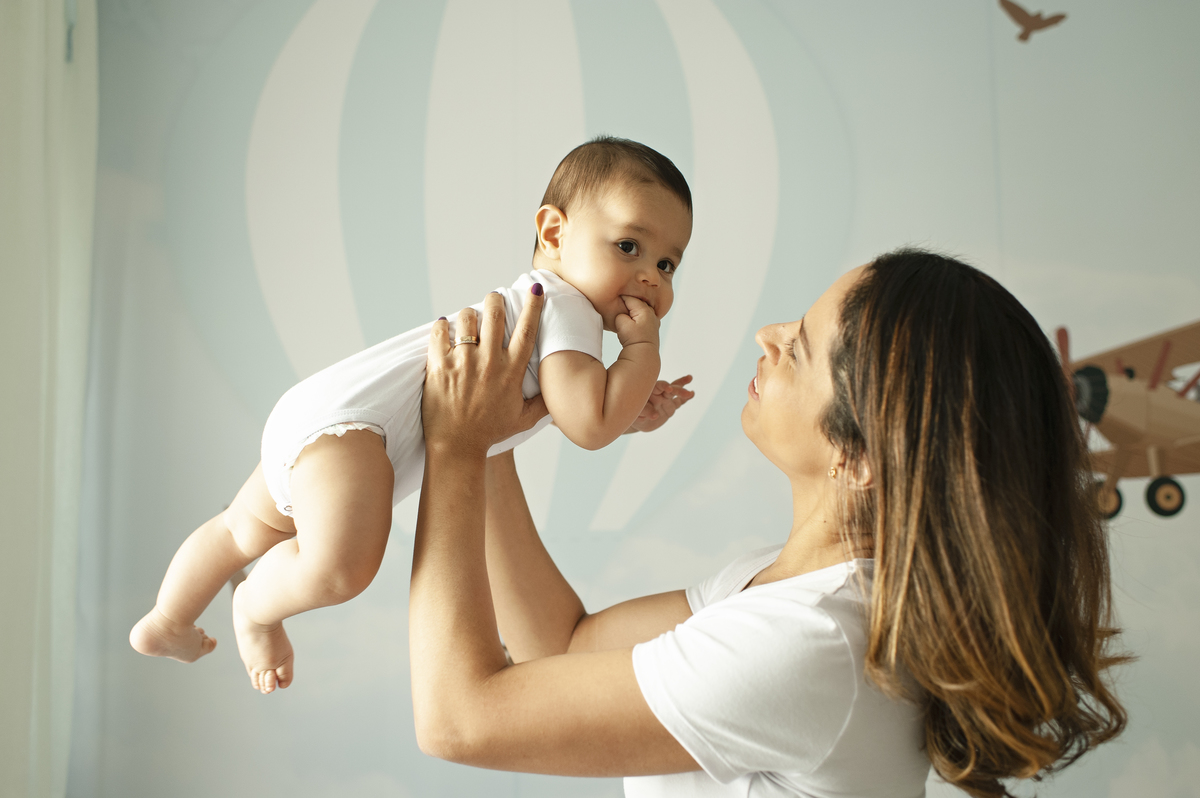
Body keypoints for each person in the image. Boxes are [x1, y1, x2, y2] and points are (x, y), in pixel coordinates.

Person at [411, 248, 1128, 798]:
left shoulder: (809, 641)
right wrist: (491, 439)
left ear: (859, 454)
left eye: (802, 347)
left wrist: (455, 447)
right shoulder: (788, 592)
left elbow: (458, 719)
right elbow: (564, 649)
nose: (768, 334)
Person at [129, 136, 697, 694]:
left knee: (237, 530)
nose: (651, 276)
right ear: (553, 232)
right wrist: (641, 357)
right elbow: (588, 425)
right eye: (629, 247)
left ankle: (167, 618)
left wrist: (629, 408)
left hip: (325, 409)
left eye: (668, 263)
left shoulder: (543, 307)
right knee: (339, 570)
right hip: (354, 436)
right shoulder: (565, 305)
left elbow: (578, 405)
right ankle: (254, 608)